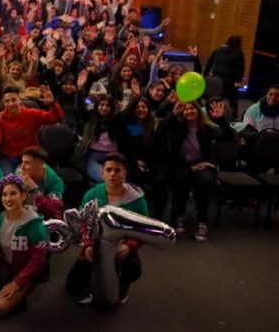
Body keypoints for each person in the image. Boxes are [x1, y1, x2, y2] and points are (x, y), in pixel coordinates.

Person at [66, 153, 148, 304]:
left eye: (117, 170)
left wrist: (129, 247)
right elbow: (84, 224)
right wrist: (88, 245)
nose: (112, 174)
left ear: (125, 174)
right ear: (102, 173)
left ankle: (122, 287)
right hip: (97, 244)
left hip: (121, 246)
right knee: (73, 287)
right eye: (108, 170)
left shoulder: (137, 200)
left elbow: (142, 230)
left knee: (133, 269)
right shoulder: (91, 195)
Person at [0, 173, 49, 319]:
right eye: (4, 194)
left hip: (25, 273)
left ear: (23, 196)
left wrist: (17, 284)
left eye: (13, 194)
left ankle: (17, 295)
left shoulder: (34, 223)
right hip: (4, 268)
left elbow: (38, 260)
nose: (8, 198)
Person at [159, 100, 233, 242]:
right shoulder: (178, 125)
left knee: (204, 182)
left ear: (198, 111)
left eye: (192, 109)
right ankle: (180, 215)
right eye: (186, 109)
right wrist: (173, 114)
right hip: (183, 164)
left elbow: (227, 137)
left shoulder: (207, 127)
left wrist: (221, 119)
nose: (189, 111)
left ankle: (202, 222)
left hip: (204, 164)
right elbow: (161, 128)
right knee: (181, 180)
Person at [0, 85, 64, 174]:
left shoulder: (31, 114)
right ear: (3, 103)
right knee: (8, 181)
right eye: (7, 101)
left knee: (39, 178)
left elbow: (56, 119)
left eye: (14, 100)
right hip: (8, 158)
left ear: (20, 100)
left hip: (31, 155)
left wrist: (52, 104)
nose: (11, 104)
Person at [16, 146, 64, 219]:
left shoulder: (55, 182)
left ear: (40, 165)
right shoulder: (19, 173)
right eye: (22, 162)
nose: (22, 167)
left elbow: (54, 212)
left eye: (27, 163)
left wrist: (34, 189)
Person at [205, 35, 245, 118]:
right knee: (232, 97)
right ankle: (234, 115)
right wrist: (238, 80)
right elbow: (240, 68)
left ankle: (212, 112)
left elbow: (209, 62)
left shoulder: (218, 50)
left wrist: (206, 73)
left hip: (217, 77)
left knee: (216, 96)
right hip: (230, 79)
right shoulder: (238, 53)